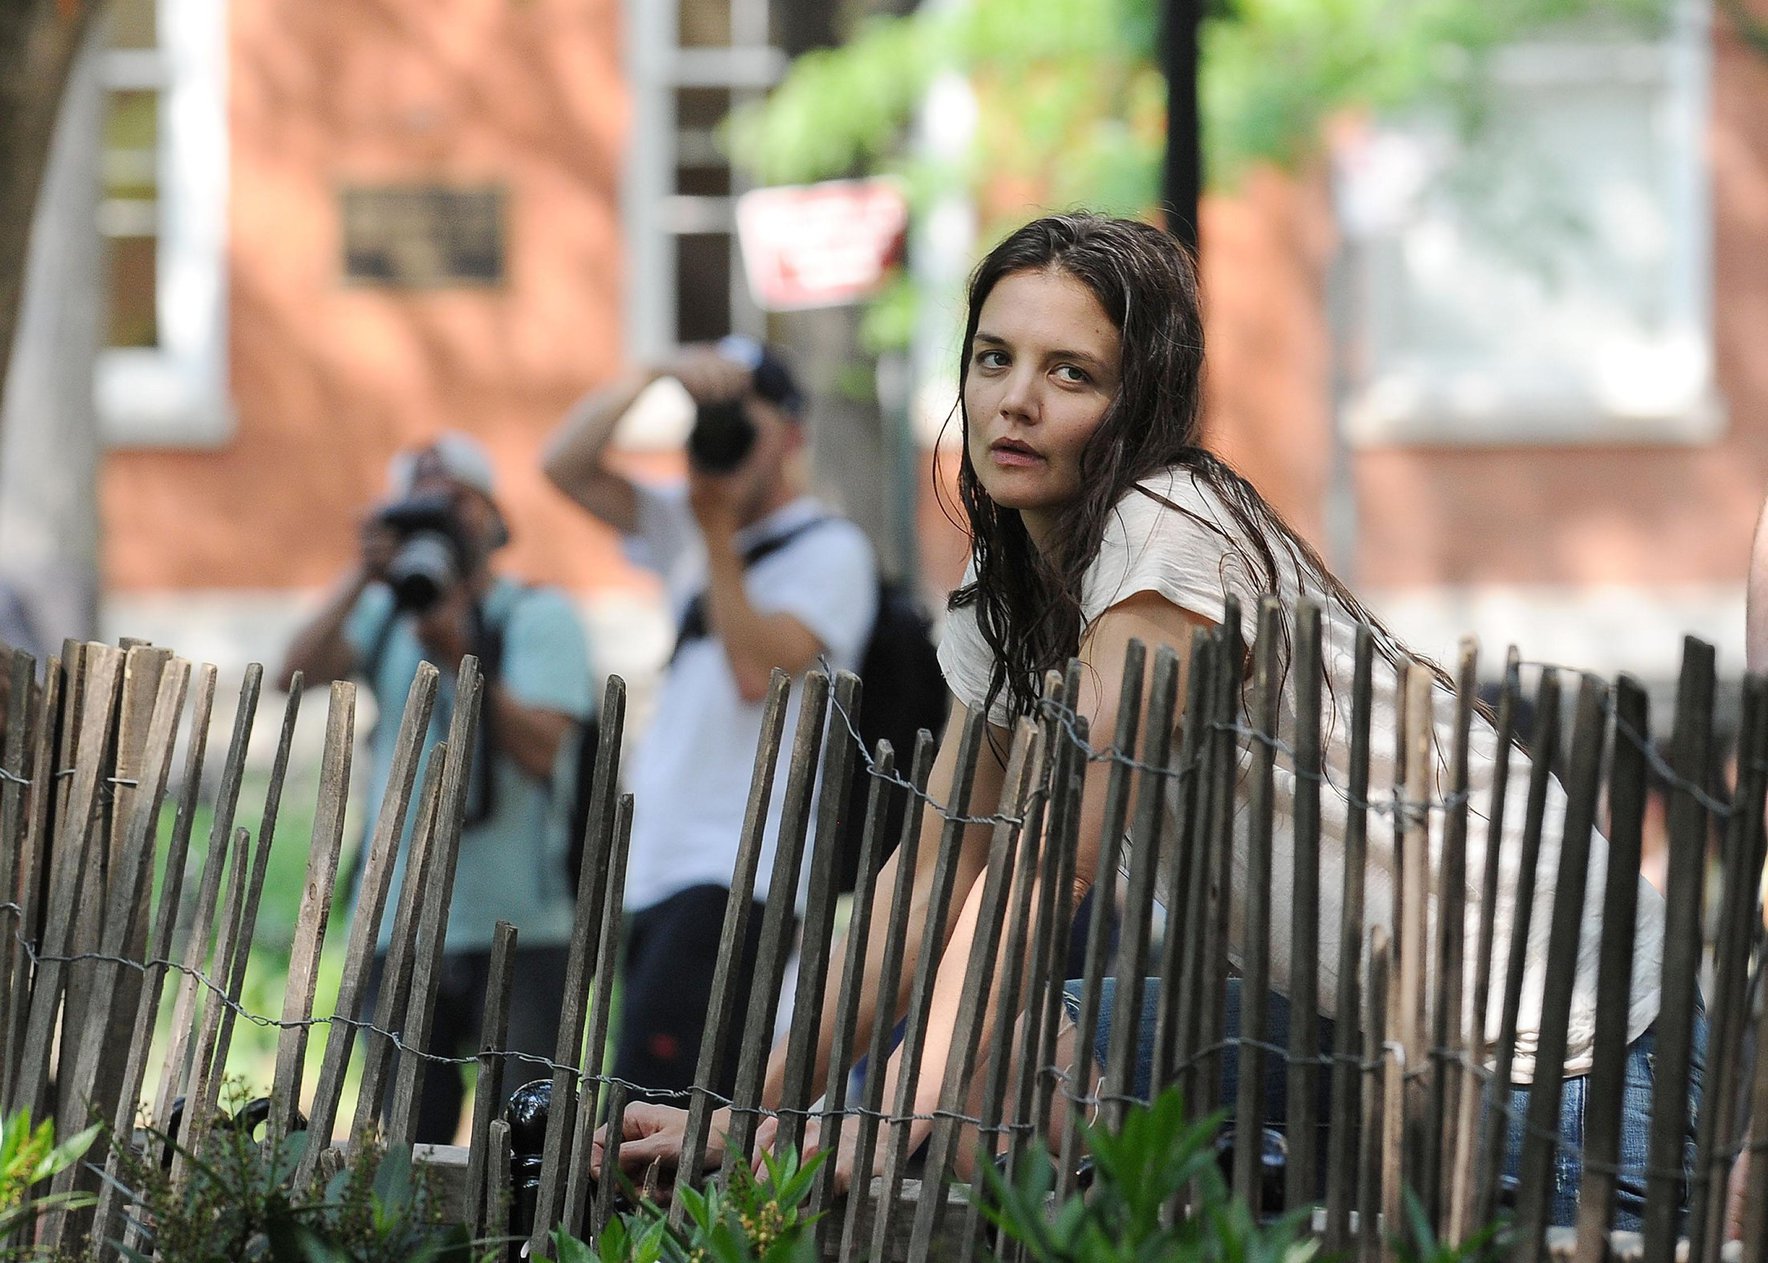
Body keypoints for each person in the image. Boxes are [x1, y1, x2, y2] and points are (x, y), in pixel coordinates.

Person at [589, 212, 1690, 1231]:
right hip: (1391, 1038)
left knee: (1017, 1068)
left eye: (1071, 373)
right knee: (1031, 1054)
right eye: (994, 357)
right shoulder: (1011, 590)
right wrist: (749, 1116)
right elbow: (928, 875)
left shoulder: (1165, 535)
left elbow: (1047, 865)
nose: (1016, 400)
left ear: (1139, 403)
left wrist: (867, 1127)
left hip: (1582, 1059)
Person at [542, 338, 878, 1101]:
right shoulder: (690, 525)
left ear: (792, 434)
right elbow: (563, 464)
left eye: (742, 420)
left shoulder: (832, 550)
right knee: (651, 1105)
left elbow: (757, 670)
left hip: (741, 871)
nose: (720, 438)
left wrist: (718, 534)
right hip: (663, 867)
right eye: (708, 420)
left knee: (657, 1114)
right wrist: (654, 373)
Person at [278, 432, 594, 1143]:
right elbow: (290, 674)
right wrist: (363, 574)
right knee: (398, 1150)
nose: (442, 522)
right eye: (420, 508)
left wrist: (462, 655)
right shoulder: (388, 617)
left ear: (493, 516)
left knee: (522, 1149)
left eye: (456, 503)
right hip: (401, 921)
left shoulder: (538, 616)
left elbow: (544, 751)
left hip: (522, 923)